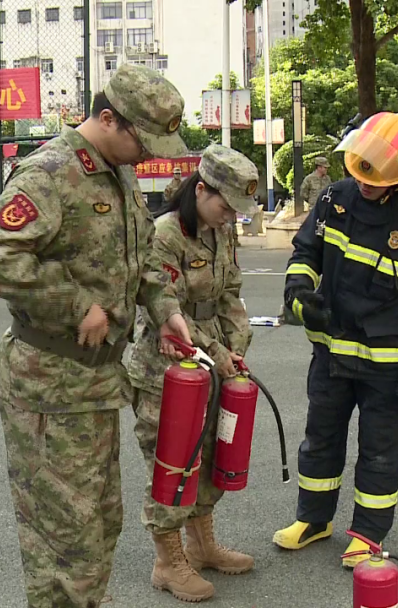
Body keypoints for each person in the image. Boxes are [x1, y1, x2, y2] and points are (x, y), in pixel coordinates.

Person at [0, 63, 195, 608]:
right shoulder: (49, 173)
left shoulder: (118, 172)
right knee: (66, 532)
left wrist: (164, 308)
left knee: (100, 520)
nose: (148, 153)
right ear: (109, 119)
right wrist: (74, 307)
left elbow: (139, 258)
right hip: (51, 383)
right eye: (143, 139)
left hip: (95, 382)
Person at [272, 112, 398, 568]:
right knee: (320, 440)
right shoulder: (334, 199)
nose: (365, 182)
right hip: (331, 353)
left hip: (388, 368)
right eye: (360, 169)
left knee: (379, 454)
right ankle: (313, 519)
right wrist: (299, 295)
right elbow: (306, 253)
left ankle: (367, 535)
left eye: (376, 176)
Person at [125, 144, 260, 603]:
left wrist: (236, 347)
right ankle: (168, 562)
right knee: (172, 462)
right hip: (166, 369)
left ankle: (202, 546)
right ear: (201, 190)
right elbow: (171, 312)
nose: (230, 216)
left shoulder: (223, 231)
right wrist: (219, 352)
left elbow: (231, 295)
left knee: (209, 453)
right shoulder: (166, 234)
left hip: (212, 363)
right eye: (226, 205)